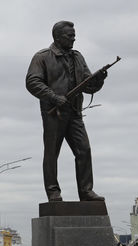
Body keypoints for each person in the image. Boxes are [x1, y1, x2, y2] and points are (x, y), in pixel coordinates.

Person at [26, 20, 107, 202]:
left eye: (74, 35)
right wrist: (54, 97)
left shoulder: (77, 57)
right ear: (57, 37)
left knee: (84, 150)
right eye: (69, 36)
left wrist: (99, 80)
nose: (73, 39)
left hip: (75, 112)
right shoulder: (43, 57)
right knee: (52, 153)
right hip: (54, 113)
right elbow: (32, 82)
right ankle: (53, 191)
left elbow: (87, 85)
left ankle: (86, 191)